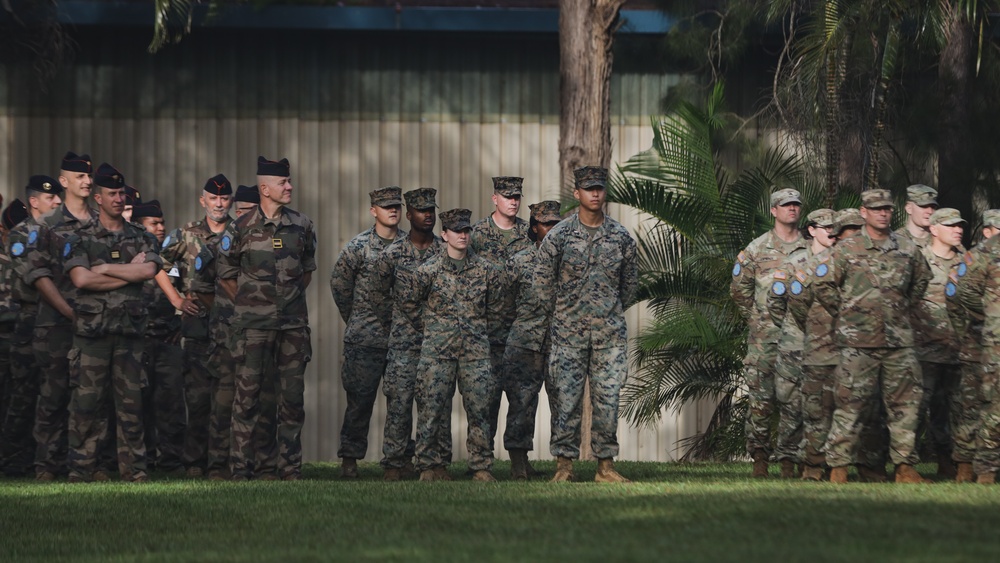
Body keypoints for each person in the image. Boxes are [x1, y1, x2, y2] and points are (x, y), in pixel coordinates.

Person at [816, 189, 932, 484]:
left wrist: (900, 309)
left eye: (887, 209)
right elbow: (823, 285)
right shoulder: (846, 249)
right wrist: (847, 313)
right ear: (864, 212)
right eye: (877, 209)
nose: (883, 213)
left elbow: (920, 283)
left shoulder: (907, 249)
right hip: (858, 343)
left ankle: (905, 467)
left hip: (898, 341)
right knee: (849, 405)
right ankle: (839, 467)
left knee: (905, 406)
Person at [218, 156, 316, 481]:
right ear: (265, 188)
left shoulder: (302, 225)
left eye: (289, 182)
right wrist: (252, 305)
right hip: (252, 329)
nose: (289, 187)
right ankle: (241, 470)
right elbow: (227, 275)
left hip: (292, 328)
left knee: (291, 400)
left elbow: (306, 273)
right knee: (247, 400)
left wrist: (284, 304)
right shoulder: (239, 227)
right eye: (282, 183)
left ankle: (288, 470)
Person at [538, 166, 637, 483]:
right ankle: (564, 466)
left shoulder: (621, 237)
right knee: (566, 402)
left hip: (609, 337)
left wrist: (606, 310)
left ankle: (605, 466)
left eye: (599, 188)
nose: (595, 193)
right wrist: (567, 312)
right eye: (588, 188)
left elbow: (630, 287)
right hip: (568, 336)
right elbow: (542, 285)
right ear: (577, 193)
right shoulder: (560, 236)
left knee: (608, 402)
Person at [64, 163, 161, 482]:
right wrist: (124, 276)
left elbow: (148, 272)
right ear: (98, 198)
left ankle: (134, 470)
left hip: (130, 335)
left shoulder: (142, 237)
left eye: (121, 192)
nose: (119, 198)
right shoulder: (80, 237)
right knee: (87, 405)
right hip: (92, 335)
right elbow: (80, 279)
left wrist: (103, 268)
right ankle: (83, 468)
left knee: (131, 405)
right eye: (112, 193)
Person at [409, 208, 505, 482]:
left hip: (475, 352)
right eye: (456, 231)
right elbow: (409, 304)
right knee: (431, 408)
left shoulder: (486, 270)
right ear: (444, 234)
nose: (462, 235)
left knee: (480, 410)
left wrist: (479, 332)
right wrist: (432, 329)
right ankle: (428, 465)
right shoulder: (428, 270)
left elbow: (496, 309)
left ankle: (481, 466)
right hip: (437, 351)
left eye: (466, 231)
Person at [161, 174, 234, 476]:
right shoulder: (186, 234)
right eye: (213, 198)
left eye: (224, 198)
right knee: (197, 399)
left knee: (224, 402)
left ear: (231, 201)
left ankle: (218, 465)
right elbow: (158, 265)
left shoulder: (240, 232)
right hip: (198, 330)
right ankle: (193, 464)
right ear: (202, 200)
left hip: (230, 330)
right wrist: (176, 301)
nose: (219, 204)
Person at [730, 187, 807, 477]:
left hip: (799, 339)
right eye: (785, 205)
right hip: (764, 340)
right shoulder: (756, 249)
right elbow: (740, 291)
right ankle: (760, 459)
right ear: (773, 210)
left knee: (795, 401)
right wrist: (757, 320)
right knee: (760, 401)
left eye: (796, 205)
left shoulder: (810, 249)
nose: (792, 209)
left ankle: (789, 459)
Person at [31, 152, 98, 481]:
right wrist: (68, 310)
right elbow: (39, 275)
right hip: (57, 324)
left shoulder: (100, 222)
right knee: (54, 395)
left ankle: (84, 465)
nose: (87, 181)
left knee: (89, 397)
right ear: (64, 181)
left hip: (95, 324)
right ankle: (47, 465)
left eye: (89, 176)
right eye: (80, 176)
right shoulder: (47, 224)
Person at [330, 186, 406, 479]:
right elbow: (340, 286)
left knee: (400, 403)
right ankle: (350, 459)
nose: (393, 210)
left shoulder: (411, 245)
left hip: (401, 339)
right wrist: (356, 319)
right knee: (359, 403)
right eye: (386, 206)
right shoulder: (358, 247)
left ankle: (397, 461)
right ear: (374, 210)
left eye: (396, 206)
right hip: (364, 339)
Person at [372, 187, 444, 481]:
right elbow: (376, 295)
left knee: (434, 403)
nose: (428, 215)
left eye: (432, 210)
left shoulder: (445, 251)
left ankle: (431, 463)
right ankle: (394, 462)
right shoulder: (393, 253)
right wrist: (396, 323)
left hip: (438, 342)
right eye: (422, 210)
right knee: (399, 403)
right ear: (409, 213)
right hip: (402, 343)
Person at [787, 209, 863, 480]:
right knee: (817, 410)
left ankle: (849, 466)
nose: (853, 236)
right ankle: (814, 466)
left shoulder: (867, 265)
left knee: (853, 410)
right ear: (838, 234)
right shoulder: (817, 265)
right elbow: (797, 301)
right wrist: (814, 328)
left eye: (858, 230)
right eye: (848, 231)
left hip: (857, 353)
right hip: (821, 349)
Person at [766, 208, 836, 478]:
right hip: (796, 344)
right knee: (791, 403)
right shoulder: (795, 262)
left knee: (824, 404)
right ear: (812, 230)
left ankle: (821, 462)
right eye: (825, 226)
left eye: (834, 227)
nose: (831, 231)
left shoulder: (841, 259)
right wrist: (795, 327)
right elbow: (776, 301)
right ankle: (786, 461)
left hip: (830, 345)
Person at [470, 177, 533, 472]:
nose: (513, 201)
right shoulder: (476, 234)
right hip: (487, 332)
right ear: (494, 198)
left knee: (522, 398)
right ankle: (481, 461)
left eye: (517, 196)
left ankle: (519, 461)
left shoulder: (528, 233)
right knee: (485, 399)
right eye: (507, 196)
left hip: (521, 330)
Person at [3, 175, 64, 476]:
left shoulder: (63, 232)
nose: (57, 201)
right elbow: (35, 277)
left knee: (55, 393)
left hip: (57, 323)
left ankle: (50, 459)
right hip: (30, 320)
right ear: (34, 202)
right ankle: (14, 459)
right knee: (24, 393)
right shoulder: (20, 235)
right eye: (50, 197)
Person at [502, 200, 562, 480]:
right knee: (522, 403)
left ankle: (564, 463)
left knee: (563, 402)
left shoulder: (569, 261)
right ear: (534, 227)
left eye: (555, 223)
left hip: (560, 343)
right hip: (524, 342)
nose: (551, 228)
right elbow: (504, 304)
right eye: (546, 223)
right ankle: (518, 463)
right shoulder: (518, 261)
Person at [912, 208, 966, 478]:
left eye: (960, 226)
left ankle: (951, 462)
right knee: (916, 410)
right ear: (934, 229)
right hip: (924, 351)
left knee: (957, 411)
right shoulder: (918, 260)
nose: (958, 230)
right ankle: (905, 465)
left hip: (959, 351)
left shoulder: (967, 262)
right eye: (951, 225)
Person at [133, 201, 186, 473]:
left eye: (162, 222)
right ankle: (143, 459)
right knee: (139, 403)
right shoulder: (134, 255)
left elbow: (188, 290)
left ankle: (171, 461)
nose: (161, 227)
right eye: (154, 223)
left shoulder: (173, 255)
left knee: (171, 403)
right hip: (139, 339)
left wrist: (179, 325)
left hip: (168, 340)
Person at [954, 210, 1000, 483]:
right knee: (994, 405)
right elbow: (964, 290)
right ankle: (986, 468)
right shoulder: (986, 251)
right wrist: (989, 315)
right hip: (996, 342)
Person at [895, 184, 938, 249]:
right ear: (909, 208)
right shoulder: (895, 241)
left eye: (933, 207)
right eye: (924, 206)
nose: (930, 211)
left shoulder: (941, 240)